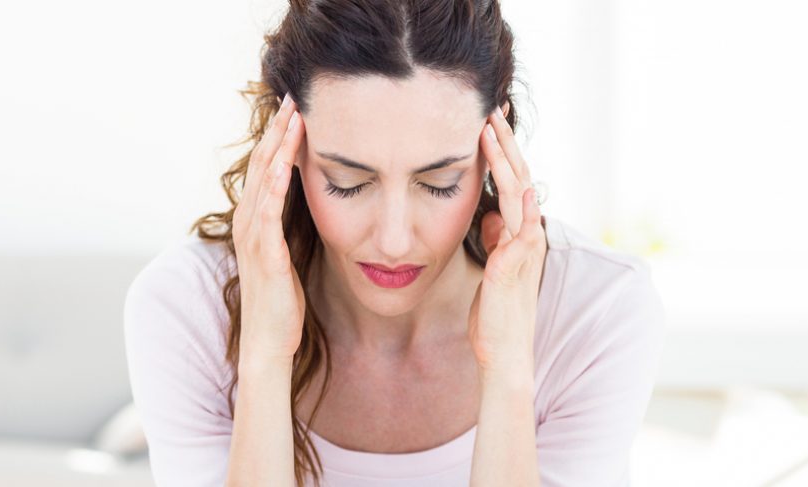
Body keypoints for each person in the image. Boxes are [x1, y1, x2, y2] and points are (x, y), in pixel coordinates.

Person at [123, 0, 667, 486]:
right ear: (286, 150)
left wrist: (506, 371)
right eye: (348, 182)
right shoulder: (188, 309)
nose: (393, 239)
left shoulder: (597, 309)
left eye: (438, 183)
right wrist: (264, 359)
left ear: (493, 152)